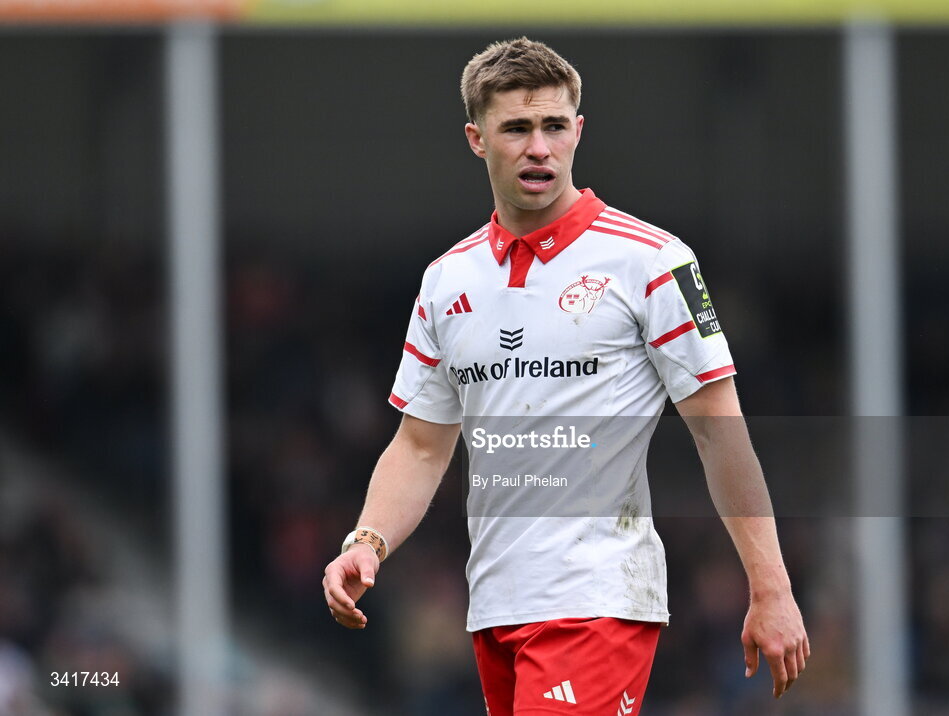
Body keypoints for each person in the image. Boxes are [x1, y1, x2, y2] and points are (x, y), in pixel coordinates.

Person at [324, 37, 809, 715]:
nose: (539, 148)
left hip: (598, 599)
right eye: (516, 129)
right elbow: (421, 445)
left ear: (578, 130)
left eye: (554, 127)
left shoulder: (651, 261)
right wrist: (366, 542)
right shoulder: (446, 281)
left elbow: (720, 434)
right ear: (476, 138)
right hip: (494, 605)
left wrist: (772, 587)